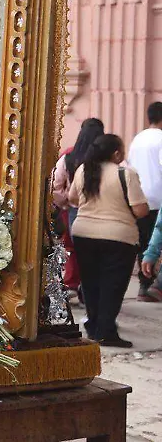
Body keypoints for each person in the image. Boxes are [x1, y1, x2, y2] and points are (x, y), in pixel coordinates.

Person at [68, 133, 149, 347]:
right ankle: (105, 332)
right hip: (118, 238)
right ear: (116, 153)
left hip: (84, 234)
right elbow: (140, 210)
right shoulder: (126, 174)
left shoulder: (84, 170)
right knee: (112, 285)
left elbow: (72, 198)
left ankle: (94, 326)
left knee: (91, 283)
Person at [51, 118, 105, 292]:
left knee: (74, 248)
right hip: (102, 212)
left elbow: (55, 185)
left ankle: (73, 283)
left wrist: (66, 202)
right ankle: (92, 287)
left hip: (74, 210)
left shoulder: (69, 157)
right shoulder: (107, 160)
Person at [128, 102, 162, 301]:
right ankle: (153, 286)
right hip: (158, 198)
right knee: (155, 241)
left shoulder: (137, 139)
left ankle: (144, 284)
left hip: (139, 198)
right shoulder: (160, 139)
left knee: (143, 243)